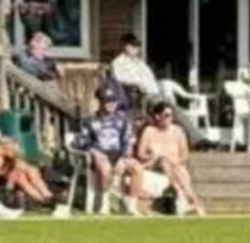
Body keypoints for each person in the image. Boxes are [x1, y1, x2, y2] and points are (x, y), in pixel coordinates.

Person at [110, 33, 206, 145]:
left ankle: (188, 141)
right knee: (171, 109)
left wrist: (161, 90)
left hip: (154, 95)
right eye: (133, 45)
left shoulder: (140, 63)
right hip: (139, 97)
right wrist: (137, 84)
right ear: (125, 46)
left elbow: (152, 80)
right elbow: (119, 80)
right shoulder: (118, 63)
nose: (137, 48)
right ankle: (198, 139)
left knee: (173, 109)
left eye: (138, 45)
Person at [76, 84, 144, 214]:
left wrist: (124, 158)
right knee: (105, 168)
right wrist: (95, 152)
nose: (110, 104)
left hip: (119, 153)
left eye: (113, 101)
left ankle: (131, 205)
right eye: (107, 101)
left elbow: (128, 139)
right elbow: (81, 141)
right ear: (100, 102)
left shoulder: (123, 120)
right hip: (99, 154)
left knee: (137, 168)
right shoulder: (89, 120)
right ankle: (104, 202)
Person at [136, 101, 205, 216]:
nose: (170, 118)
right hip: (155, 165)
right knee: (164, 161)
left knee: (178, 169)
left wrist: (177, 162)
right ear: (158, 116)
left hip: (175, 167)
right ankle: (185, 197)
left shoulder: (178, 131)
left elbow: (185, 154)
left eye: (172, 116)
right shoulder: (149, 131)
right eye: (167, 115)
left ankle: (190, 199)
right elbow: (140, 153)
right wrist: (152, 156)